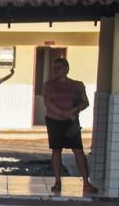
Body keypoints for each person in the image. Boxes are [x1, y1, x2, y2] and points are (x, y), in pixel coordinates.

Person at [42, 57, 98, 196]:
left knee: (78, 150)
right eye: (53, 68)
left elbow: (85, 102)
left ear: (67, 68)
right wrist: (64, 113)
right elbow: (48, 103)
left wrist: (74, 111)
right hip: (54, 120)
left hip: (72, 122)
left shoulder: (77, 85)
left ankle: (86, 182)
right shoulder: (48, 85)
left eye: (59, 67)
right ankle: (57, 181)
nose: (55, 70)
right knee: (56, 149)